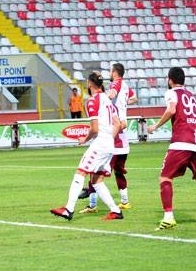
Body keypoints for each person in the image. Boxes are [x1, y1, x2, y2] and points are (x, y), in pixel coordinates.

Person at [50, 72, 124, 221]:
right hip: (109, 144)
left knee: (80, 172)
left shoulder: (92, 101)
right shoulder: (108, 99)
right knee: (97, 180)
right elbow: (118, 124)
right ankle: (115, 211)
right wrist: (109, 139)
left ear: (89, 84)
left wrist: (85, 139)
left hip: (101, 143)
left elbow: (94, 129)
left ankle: (68, 209)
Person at [78, 63, 137, 213]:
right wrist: (123, 104)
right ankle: (124, 201)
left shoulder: (116, 83)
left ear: (114, 72)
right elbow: (134, 98)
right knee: (118, 170)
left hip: (114, 134)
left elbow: (110, 95)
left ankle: (93, 204)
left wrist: (104, 99)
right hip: (122, 135)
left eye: (111, 71)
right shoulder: (126, 86)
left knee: (94, 170)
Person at [147, 67, 196, 230]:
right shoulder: (191, 96)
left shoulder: (171, 93)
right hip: (194, 142)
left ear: (170, 80)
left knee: (165, 178)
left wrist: (156, 126)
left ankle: (168, 217)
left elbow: (172, 109)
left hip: (180, 143)